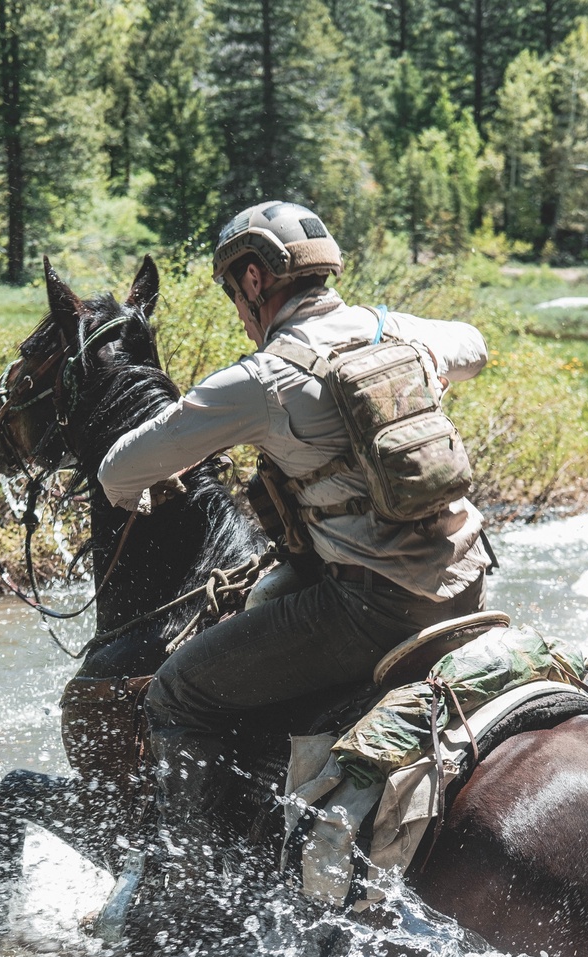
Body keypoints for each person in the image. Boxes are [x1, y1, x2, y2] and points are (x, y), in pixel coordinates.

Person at [98, 200, 490, 892]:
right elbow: (475, 345)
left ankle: (188, 895)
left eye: (231, 291)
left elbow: (119, 469)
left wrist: (147, 488)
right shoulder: (395, 331)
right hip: (467, 582)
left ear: (254, 281)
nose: (236, 308)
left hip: (371, 612)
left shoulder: (262, 380)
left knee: (177, 693)